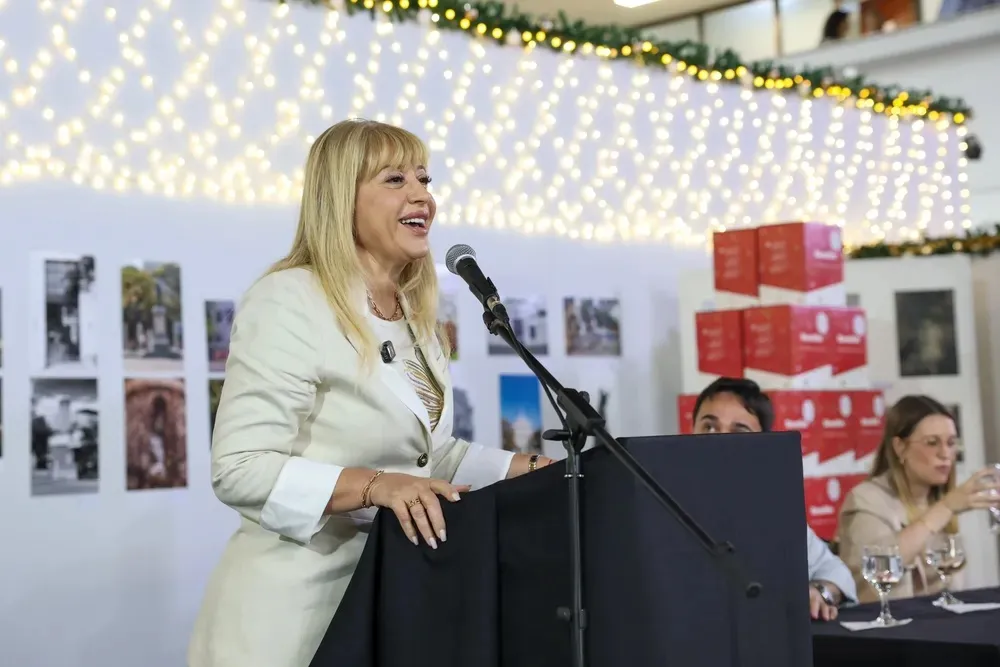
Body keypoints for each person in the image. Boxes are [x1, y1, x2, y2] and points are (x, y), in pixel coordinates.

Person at [188, 119, 555, 667]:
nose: (421, 196)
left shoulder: (414, 315)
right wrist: (374, 486)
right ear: (341, 198)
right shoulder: (290, 301)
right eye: (395, 179)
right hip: (293, 619)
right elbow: (239, 467)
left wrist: (527, 470)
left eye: (425, 179)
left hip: (388, 602)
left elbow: (431, 455)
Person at [689, 377, 857, 621]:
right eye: (709, 427)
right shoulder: (656, 499)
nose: (719, 439)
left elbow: (837, 574)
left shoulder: (772, 509)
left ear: (763, 444)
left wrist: (819, 592)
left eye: (739, 431)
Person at [837, 395, 1000, 603]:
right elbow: (881, 568)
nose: (945, 454)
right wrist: (946, 507)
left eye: (951, 443)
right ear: (900, 447)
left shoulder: (937, 498)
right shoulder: (866, 499)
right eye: (932, 443)